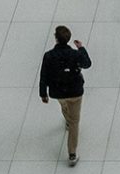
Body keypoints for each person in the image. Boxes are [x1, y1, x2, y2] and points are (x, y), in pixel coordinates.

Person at [38, 26, 92, 165]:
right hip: (75, 92)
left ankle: (67, 120)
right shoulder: (75, 54)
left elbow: (44, 75)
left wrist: (43, 93)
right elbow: (87, 64)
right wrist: (81, 48)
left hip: (58, 92)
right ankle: (72, 154)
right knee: (75, 121)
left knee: (64, 106)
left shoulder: (49, 56)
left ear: (56, 38)